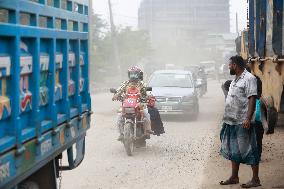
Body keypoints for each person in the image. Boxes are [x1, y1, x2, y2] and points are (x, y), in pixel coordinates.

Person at [219, 55, 261, 188]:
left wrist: (248, 118)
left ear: (236, 65)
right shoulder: (235, 80)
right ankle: (234, 177)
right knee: (233, 149)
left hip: (243, 121)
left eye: (230, 65)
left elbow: (252, 99)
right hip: (231, 120)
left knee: (249, 149)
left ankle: (255, 179)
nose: (229, 67)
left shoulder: (249, 78)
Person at [112, 66, 152, 141]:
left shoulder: (142, 84)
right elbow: (119, 91)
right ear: (129, 75)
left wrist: (149, 96)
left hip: (140, 103)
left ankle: (148, 130)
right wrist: (116, 95)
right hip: (127, 104)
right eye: (131, 74)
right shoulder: (125, 83)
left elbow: (148, 92)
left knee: (146, 113)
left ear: (139, 75)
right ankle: (121, 133)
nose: (133, 76)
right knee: (119, 115)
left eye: (135, 74)